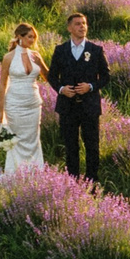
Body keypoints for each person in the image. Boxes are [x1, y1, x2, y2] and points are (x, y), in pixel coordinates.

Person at [46, 10, 111, 179]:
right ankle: (72, 182)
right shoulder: (60, 50)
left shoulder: (96, 50)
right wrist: (62, 89)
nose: (82, 27)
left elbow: (106, 76)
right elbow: (52, 76)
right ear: (69, 28)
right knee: (70, 146)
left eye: (84, 23)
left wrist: (91, 86)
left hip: (90, 106)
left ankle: (92, 182)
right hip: (67, 107)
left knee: (92, 146)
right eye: (78, 24)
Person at [0, 19, 48, 182]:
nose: (32, 40)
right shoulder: (8, 57)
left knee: (33, 138)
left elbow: (48, 77)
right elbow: (3, 84)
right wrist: (0, 110)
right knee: (16, 139)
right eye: (29, 37)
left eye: (34, 37)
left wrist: (41, 64)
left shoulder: (35, 56)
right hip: (15, 104)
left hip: (33, 104)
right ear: (19, 37)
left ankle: (35, 175)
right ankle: (14, 175)